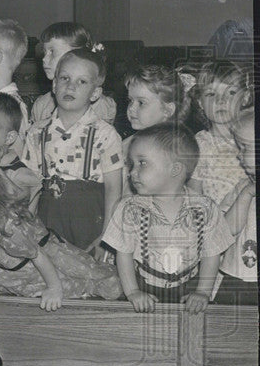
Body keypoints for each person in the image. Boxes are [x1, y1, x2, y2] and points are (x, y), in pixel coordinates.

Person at [0, 148, 122, 311]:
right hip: (11, 269)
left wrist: (53, 288)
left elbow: (38, 255)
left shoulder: (7, 226)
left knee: (88, 287)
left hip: (43, 267)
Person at [102, 123, 233, 313]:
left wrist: (203, 292)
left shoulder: (206, 209)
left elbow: (211, 254)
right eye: (132, 164)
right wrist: (133, 292)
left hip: (189, 287)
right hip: (144, 285)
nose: (131, 172)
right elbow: (124, 254)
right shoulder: (130, 208)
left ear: (175, 170)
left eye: (142, 163)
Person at [24, 48, 124, 253]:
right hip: (48, 223)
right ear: (54, 84)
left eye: (82, 82)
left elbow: (114, 189)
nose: (71, 86)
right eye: (65, 78)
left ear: (95, 93)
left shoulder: (105, 134)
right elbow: (31, 185)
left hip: (89, 224)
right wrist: (27, 227)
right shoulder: (36, 132)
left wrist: (106, 236)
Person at [187, 60, 252, 208]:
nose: (221, 100)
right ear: (200, 102)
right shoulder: (199, 143)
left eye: (231, 92)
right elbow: (193, 194)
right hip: (218, 221)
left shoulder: (252, 139)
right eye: (211, 94)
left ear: (246, 97)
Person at [121, 65, 191, 195]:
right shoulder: (126, 144)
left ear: (168, 110)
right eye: (130, 100)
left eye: (141, 102)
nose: (131, 108)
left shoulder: (176, 148)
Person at [31, 23, 116, 125]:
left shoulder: (99, 106)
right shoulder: (42, 105)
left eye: (52, 52)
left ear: (77, 55)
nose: (44, 59)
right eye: (45, 52)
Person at [215, 110, 257, 302]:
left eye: (244, 147)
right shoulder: (241, 187)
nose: (239, 156)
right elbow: (227, 230)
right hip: (234, 275)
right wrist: (247, 193)